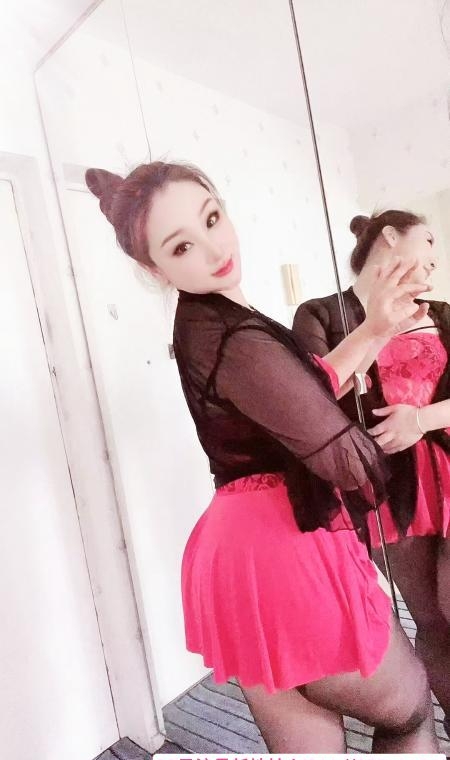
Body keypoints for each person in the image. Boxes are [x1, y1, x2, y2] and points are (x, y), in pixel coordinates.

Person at [86, 163, 438, 753]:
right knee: (408, 710)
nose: (213, 249)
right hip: (284, 552)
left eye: (211, 219)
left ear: (221, 204)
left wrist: (376, 328)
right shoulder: (233, 336)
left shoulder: (214, 319)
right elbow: (349, 460)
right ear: (155, 269)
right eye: (181, 246)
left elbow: (304, 390)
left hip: (244, 549)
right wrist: (412, 424)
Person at [293, 210, 450, 738]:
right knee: (429, 619)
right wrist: (378, 327)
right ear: (389, 236)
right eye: (427, 239)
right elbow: (310, 402)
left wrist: (420, 420)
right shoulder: (320, 314)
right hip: (386, 490)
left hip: (448, 470)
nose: (435, 257)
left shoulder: (444, 315)